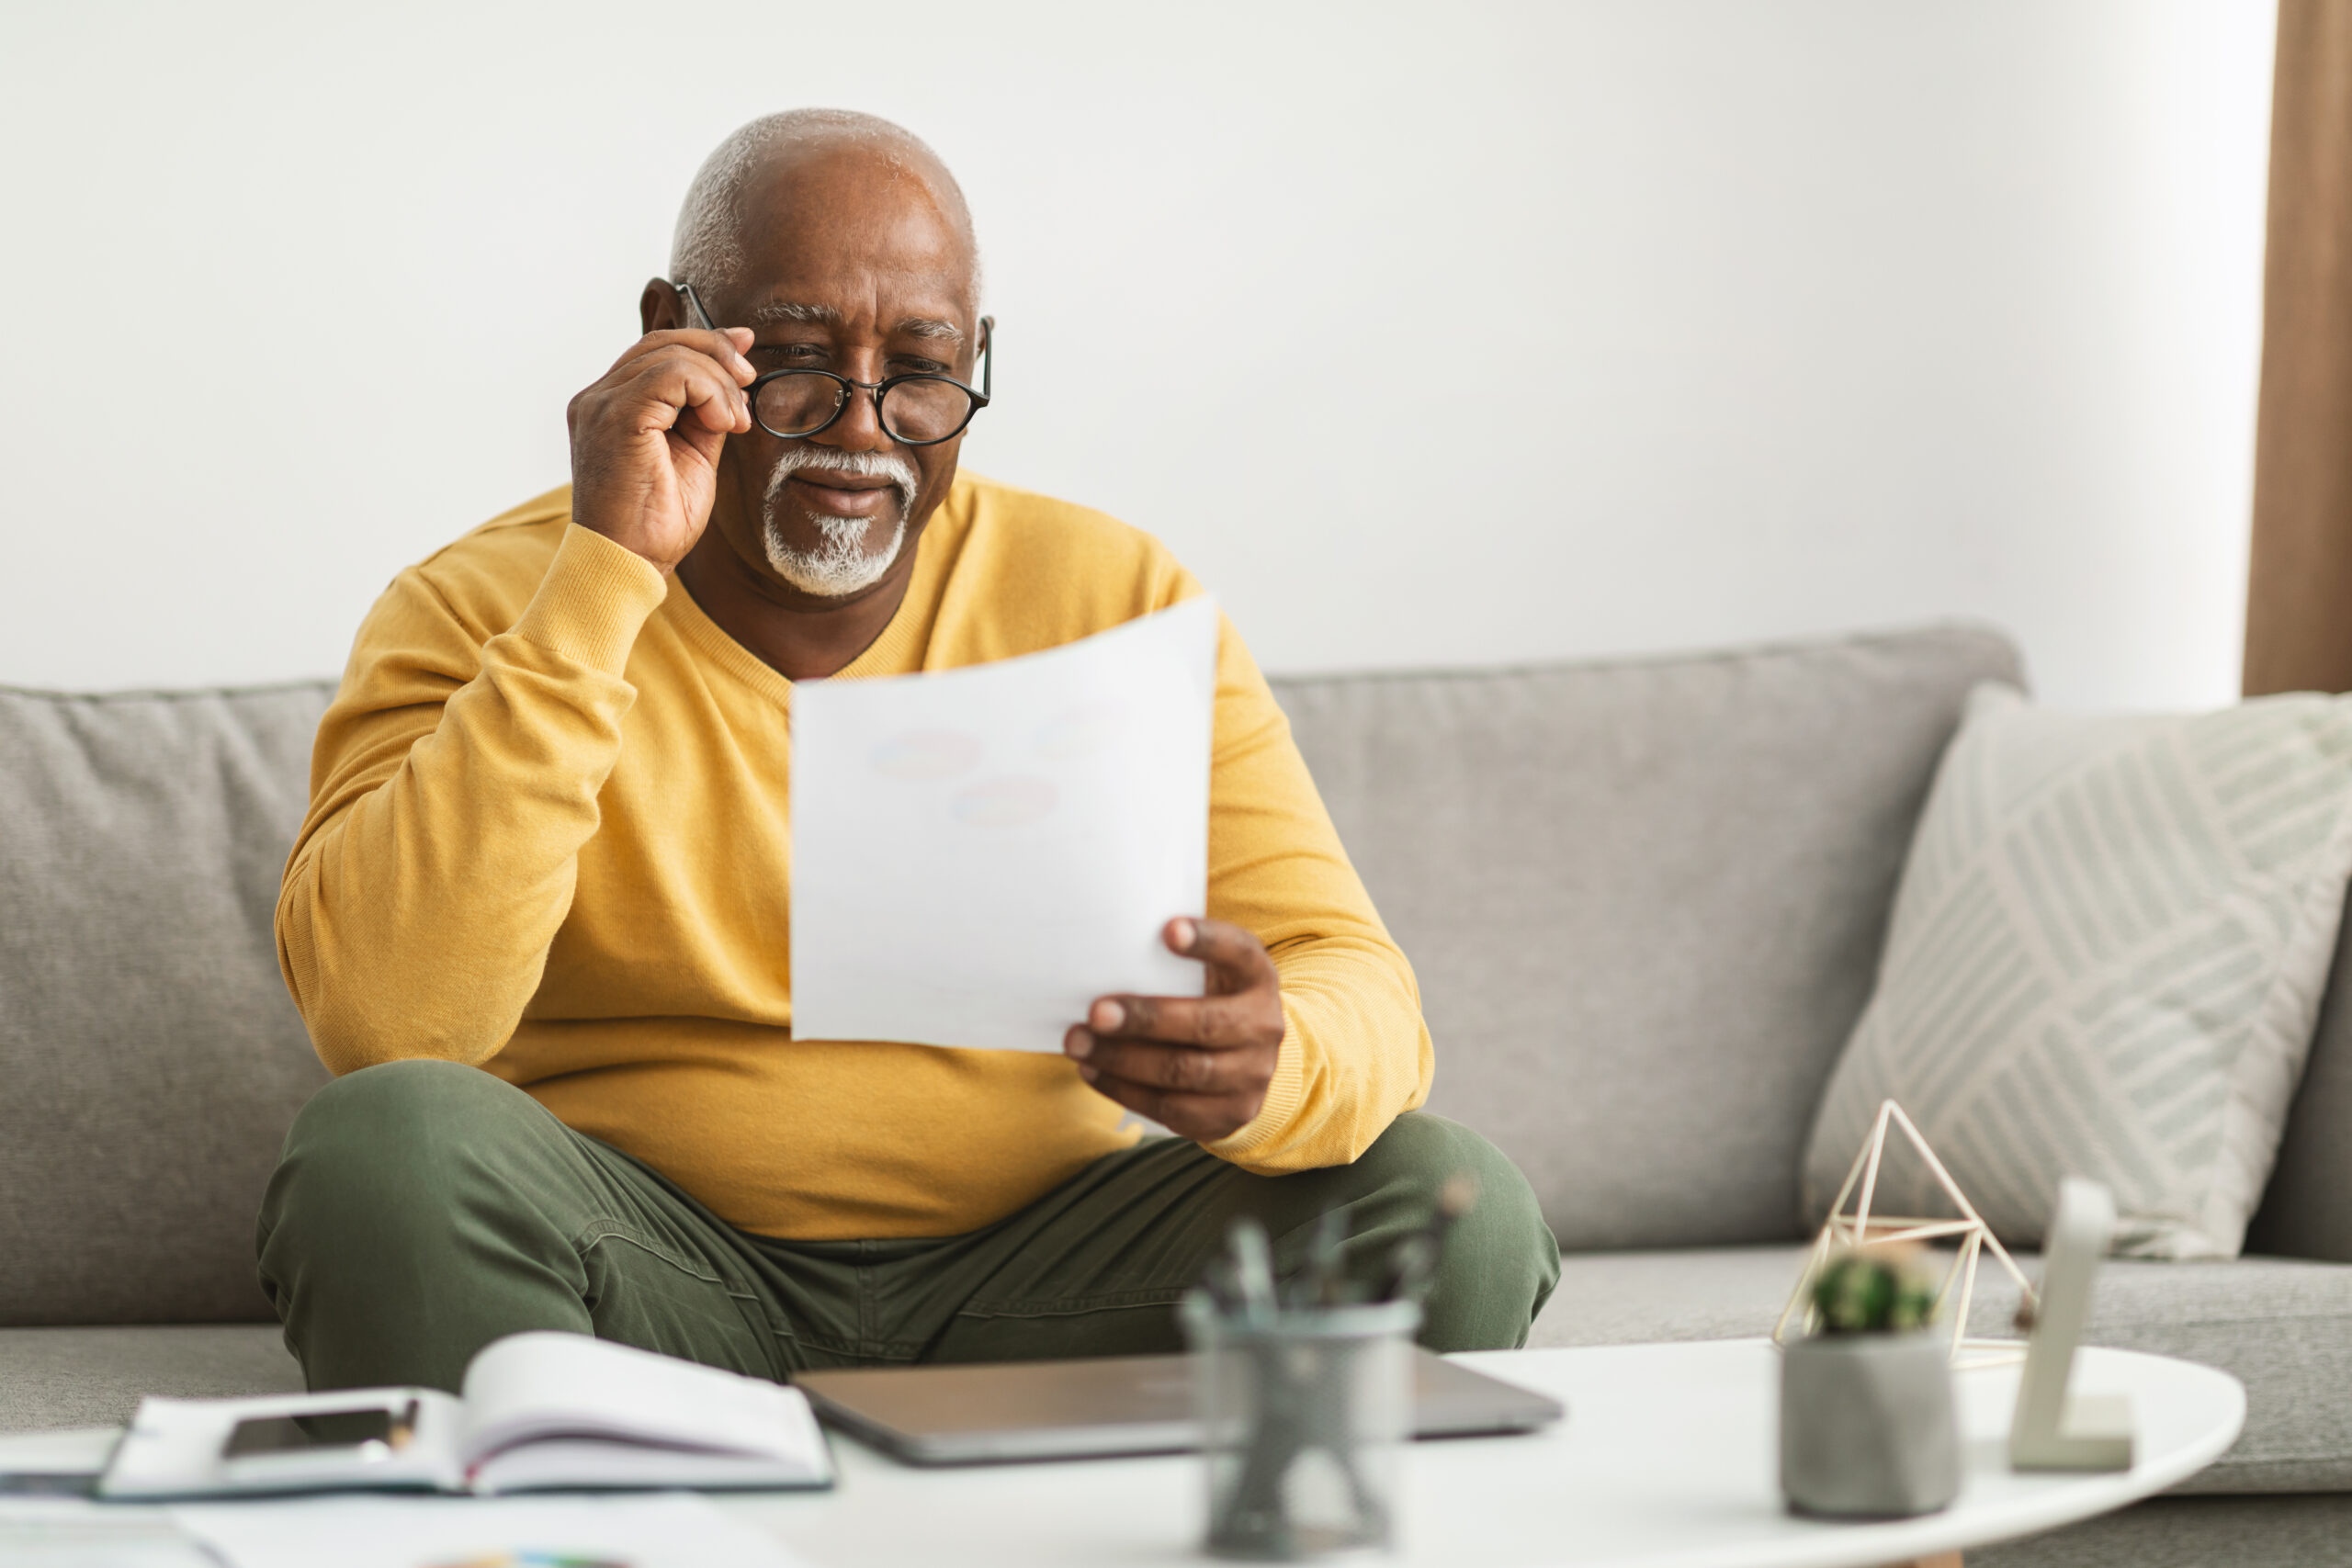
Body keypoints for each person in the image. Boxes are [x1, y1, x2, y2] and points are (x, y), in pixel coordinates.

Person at [259, 108, 1559, 1394]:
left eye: (923, 369)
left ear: (975, 361)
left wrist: (1276, 1065)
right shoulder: (480, 605)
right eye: (800, 354)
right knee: (387, 1151)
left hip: (1053, 1279)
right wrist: (604, 579)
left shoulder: (1116, 593)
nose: (864, 426)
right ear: (673, 334)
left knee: (1453, 1206)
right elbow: (388, 1022)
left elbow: (1356, 978)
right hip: (644, 1276)